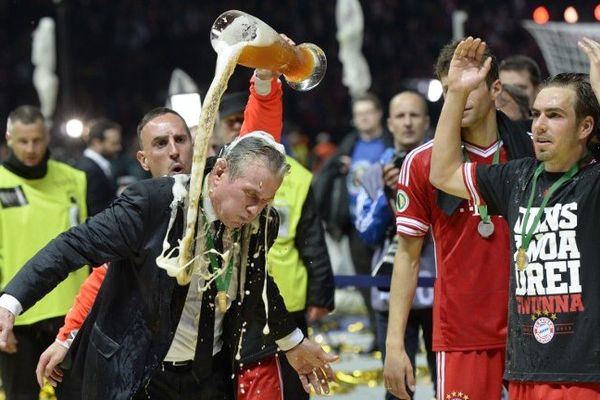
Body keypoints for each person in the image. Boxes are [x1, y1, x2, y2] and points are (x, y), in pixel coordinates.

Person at [0, 111, 337, 399]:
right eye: (250, 195)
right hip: (139, 371)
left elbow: (258, 282)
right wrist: (10, 303)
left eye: (265, 201)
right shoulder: (152, 203)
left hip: (209, 372)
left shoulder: (262, 220)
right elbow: (73, 247)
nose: (255, 210)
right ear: (219, 173)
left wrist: (293, 341)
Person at [429, 36, 600, 400]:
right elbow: (442, 173)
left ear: (585, 127)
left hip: (581, 372)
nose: (538, 125)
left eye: (554, 116)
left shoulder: (594, 182)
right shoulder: (517, 177)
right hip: (525, 365)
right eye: (536, 114)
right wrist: (457, 93)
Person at [383, 39, 534, 400]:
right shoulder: (421, 163)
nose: (460, 97)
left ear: (496, 89)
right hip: (462, 334)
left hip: (531, 329)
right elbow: (406, 256)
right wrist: (393, 344)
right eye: (451, 90)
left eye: (469, 87)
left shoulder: (531, 151)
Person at [214, 70, 335, 400]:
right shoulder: (203, 179)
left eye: (243, 121)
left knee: (290, 387)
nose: (240, 129)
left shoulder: (295, 177)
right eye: (231, 123)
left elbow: (311, 240)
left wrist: (320, 293)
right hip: (227, 310)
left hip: (283, 299)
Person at [0, 105, 88, 400]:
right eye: (23, 141)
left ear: (47, 137)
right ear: (9, 138)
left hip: (70, 315)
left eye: (37, 140)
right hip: (18, 321)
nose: (31, 148)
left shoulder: (75, 179)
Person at [354, 91, 436, 400]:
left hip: (436, 290)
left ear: (427, 122)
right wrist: (389, 196)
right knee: (397, 388)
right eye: (400, 116)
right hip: (390, 293)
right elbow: (366, 234)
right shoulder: (374, 173)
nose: (407, 123)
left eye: (414, 115)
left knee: (448, 382)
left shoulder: (444, 169)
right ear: (389, 123)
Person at [313, 93, 393, 341]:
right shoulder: (349, 145)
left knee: (391, 282)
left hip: (390, 224)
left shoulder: (390, 143)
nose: (364, 118)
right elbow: (324, 179)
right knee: (365, 284)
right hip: (356, 225)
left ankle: (393, 334)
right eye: (359, 115)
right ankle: (378, 333)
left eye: (368, 112)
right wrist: (338, 170)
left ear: (379, 114)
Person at [76, 118, 122, 216]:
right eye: (114, 144)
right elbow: (96, 210)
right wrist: (120, 197)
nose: (119, 147)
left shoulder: (94, 165)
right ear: (96, 142)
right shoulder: (90, 170)